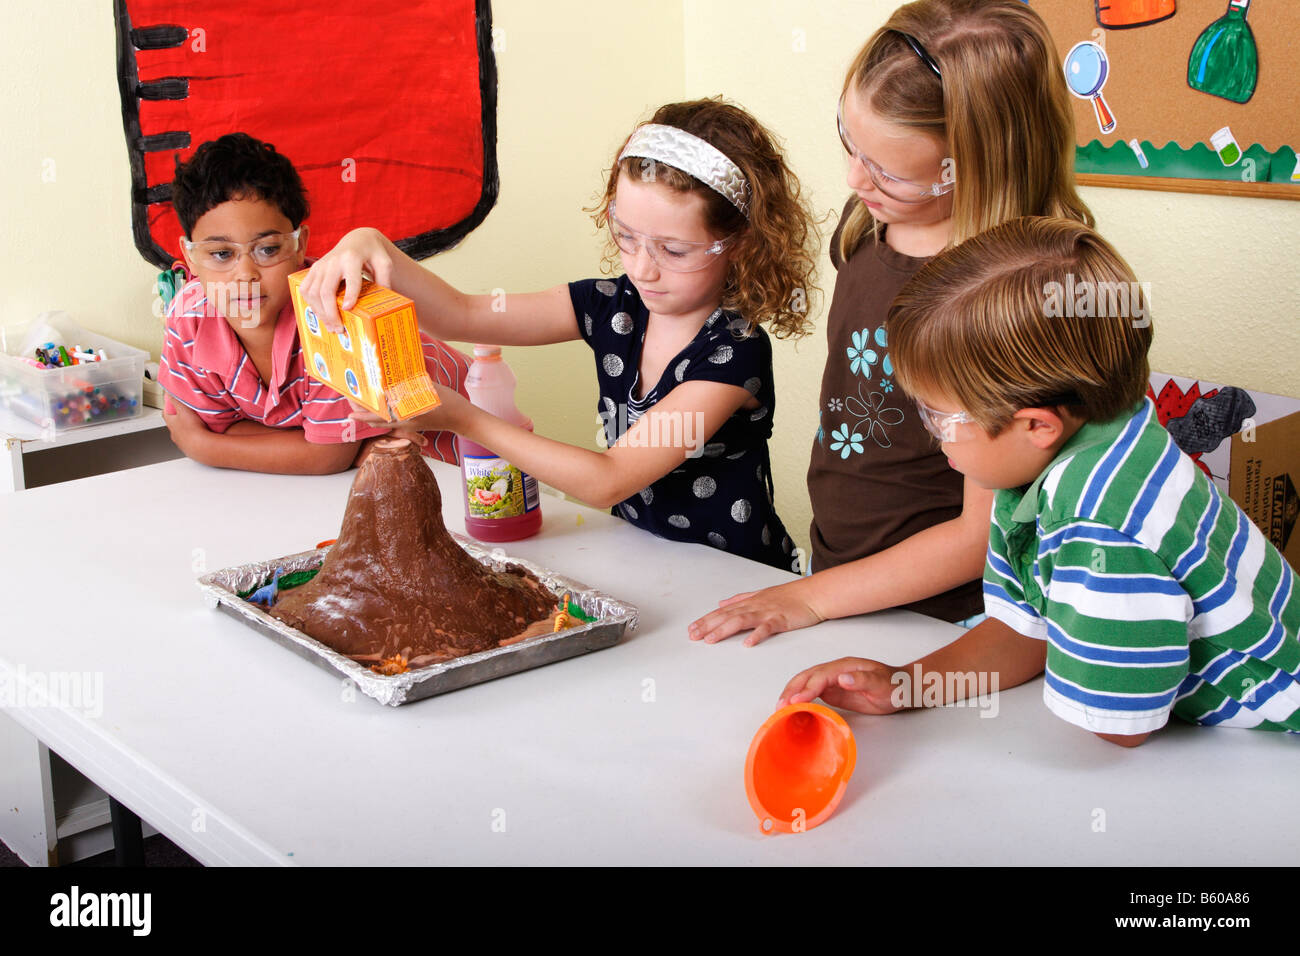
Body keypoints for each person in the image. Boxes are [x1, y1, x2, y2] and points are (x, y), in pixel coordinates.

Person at [779, 217, 1300, 745]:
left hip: (1269, 741)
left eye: (940, 417)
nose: (931, 434)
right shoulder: (1095, 434)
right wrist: (907, 686)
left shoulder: (1096, 521)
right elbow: (1026, 634)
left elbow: (1121, 729)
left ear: (1036, 426)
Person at [689, 0, 1095, 643]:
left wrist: (812, 599)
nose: (854, 178)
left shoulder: (1009, 300)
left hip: (953, 619)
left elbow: (980, 535)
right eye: (849, 143)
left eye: (886, 170)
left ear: (980, 163)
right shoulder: (873, 228)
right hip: (847, 583)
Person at [300, 99, 820, 570]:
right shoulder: (611, 306)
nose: (642, 269)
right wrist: (369, 244)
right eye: (626, 236)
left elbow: (608, 479)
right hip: (643, 556)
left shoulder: (734, 352)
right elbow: (461, 314)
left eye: (674, 251)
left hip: (738, 578)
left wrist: (459, 415)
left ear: (740, 243)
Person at [158, 132, 470, 473]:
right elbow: (220, 424)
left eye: (268, 249)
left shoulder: (333, 313)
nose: (245, 274)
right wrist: (322, 442)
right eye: (220, 253)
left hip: (456, 446)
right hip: (355, 478)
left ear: (299, 245)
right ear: (190, 257)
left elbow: (326, 458)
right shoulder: (188, 318)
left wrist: (202, 447)